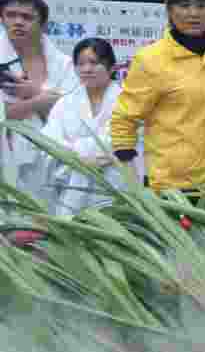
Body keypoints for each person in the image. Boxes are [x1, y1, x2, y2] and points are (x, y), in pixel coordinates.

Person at [109, 0, 205, 198]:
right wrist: (132, 181)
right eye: (184, 5)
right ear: (169, 9)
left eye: (201, 6)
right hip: (173, 189)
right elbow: (124, 120)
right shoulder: (150, 59)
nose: (194, 14)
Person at [42, 38, 144, 218]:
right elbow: (49, 142)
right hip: (72, 190)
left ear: (112, 67)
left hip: (117, 187)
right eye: (80, 64)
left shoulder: (127, 102)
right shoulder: (65, 103)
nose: (86, 69)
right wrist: (88, 153)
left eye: (94, 63)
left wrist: (74, 148)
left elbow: (119, 141)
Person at [0, 0, 80, 210]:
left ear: (42, 23)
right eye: (11, 15)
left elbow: (76, 116)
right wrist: (41, 101)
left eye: (26, 17)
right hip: (6, 156)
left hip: (52, 159)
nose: (18, 22)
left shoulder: (63, 64)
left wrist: (34, 92)